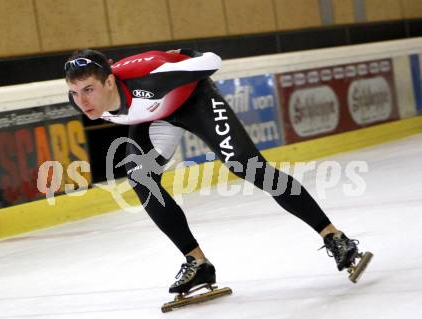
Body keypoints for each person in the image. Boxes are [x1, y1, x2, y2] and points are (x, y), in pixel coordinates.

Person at [64, 48, 363, 295]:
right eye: (75, 92)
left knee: (248, 167)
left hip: (193, 98)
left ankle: (335, 238)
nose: (83, 101)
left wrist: (187, 55)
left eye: (89, 89)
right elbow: (113, 103)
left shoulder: (150, 79)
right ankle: (197, 264)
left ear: (110, 82)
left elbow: (212, 61)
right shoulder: (83, 100)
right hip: (157, 115)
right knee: (141, 180)